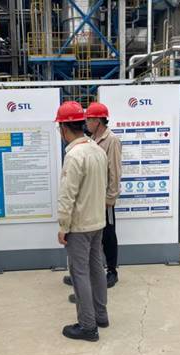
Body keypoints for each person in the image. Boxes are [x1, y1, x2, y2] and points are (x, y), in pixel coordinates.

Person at [56, 101, 109, 342]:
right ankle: (100, 316)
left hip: (79, 226)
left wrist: (63, 226)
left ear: (64, 128)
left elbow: (68, 196)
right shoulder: (97, 150)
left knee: (79, 274)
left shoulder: (74, 156)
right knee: (96, 270)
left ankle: (88, 326)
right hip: (97, 222)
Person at [65, 102, 123, 302]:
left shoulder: (111, 140)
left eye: (88, 119)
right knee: (94, 238)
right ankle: (86, 275)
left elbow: (115, 172)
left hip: (104, 199)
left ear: (98, 120)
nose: (86, 123)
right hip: (93, 198)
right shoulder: (91, 140)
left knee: (108, 234)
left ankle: (112, 271)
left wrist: (110, 198)